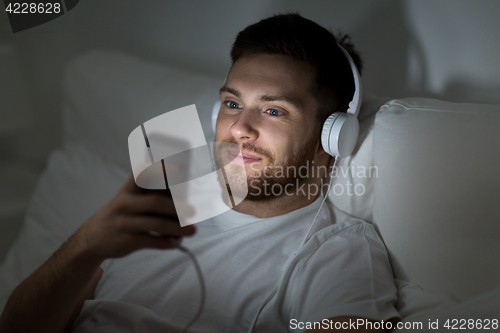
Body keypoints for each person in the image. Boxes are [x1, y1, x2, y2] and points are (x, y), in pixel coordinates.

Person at [0, 13, 399, 332]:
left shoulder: (339, 250)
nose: (239, 128)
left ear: (332, 137)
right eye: (231, 104)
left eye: (273, 110)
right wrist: (86, 246)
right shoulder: (160, 204)